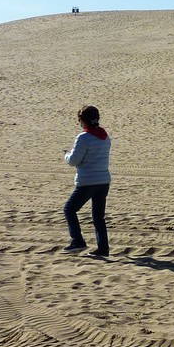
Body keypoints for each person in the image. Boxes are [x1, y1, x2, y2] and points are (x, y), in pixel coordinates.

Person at [63, 105, 112, 257]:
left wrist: (66, 155)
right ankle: (103, 248)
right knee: (98, 217)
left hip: (88, 181)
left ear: (83, 121)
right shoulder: (105, 136)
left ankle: (78, 241)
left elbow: (73, 161)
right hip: (103, 181)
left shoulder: (83, 137)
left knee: (69, 209)